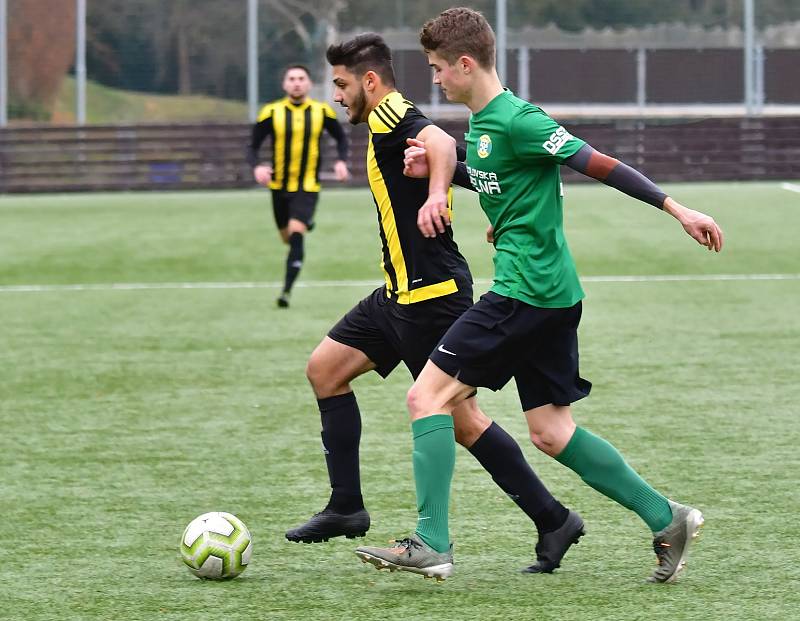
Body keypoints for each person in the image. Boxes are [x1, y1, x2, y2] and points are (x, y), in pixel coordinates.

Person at [354, 7, 723, 584]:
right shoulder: (483, 126)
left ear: (466, 63)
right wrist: (445, 172)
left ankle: (431, 541)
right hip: (551, 293)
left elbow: (597, 163)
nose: (434, 80)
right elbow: (502, 177)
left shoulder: (519, 119)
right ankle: (667, 518)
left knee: (426, 399)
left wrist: (676, 208)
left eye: (437, 69)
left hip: (525, 292)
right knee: (551, 432)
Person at [284, 33, 586, 579]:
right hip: (395, 294)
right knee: (325, 370)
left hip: (432, 296)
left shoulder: (396, 112)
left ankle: (553, 518)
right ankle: (347, 507)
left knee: (461, 419)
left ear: (369, 82)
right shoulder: (379, 120)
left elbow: (443, 144)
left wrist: (433, 194)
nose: (337, 95)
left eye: (342, 85)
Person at [246, 64, 351, 308]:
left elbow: (342, 138)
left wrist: (341, 162)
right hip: (279, 187)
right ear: (284, 84)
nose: (296, 83)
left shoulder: (321, 111)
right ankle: (306, 223)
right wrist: (257, 166)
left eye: (301, 78)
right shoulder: (271, 112)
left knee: (295, 235)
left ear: (308, 83)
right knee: (287, 236)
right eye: (291, 78)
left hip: (307, 187)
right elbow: (252, 146)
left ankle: (286, 291)